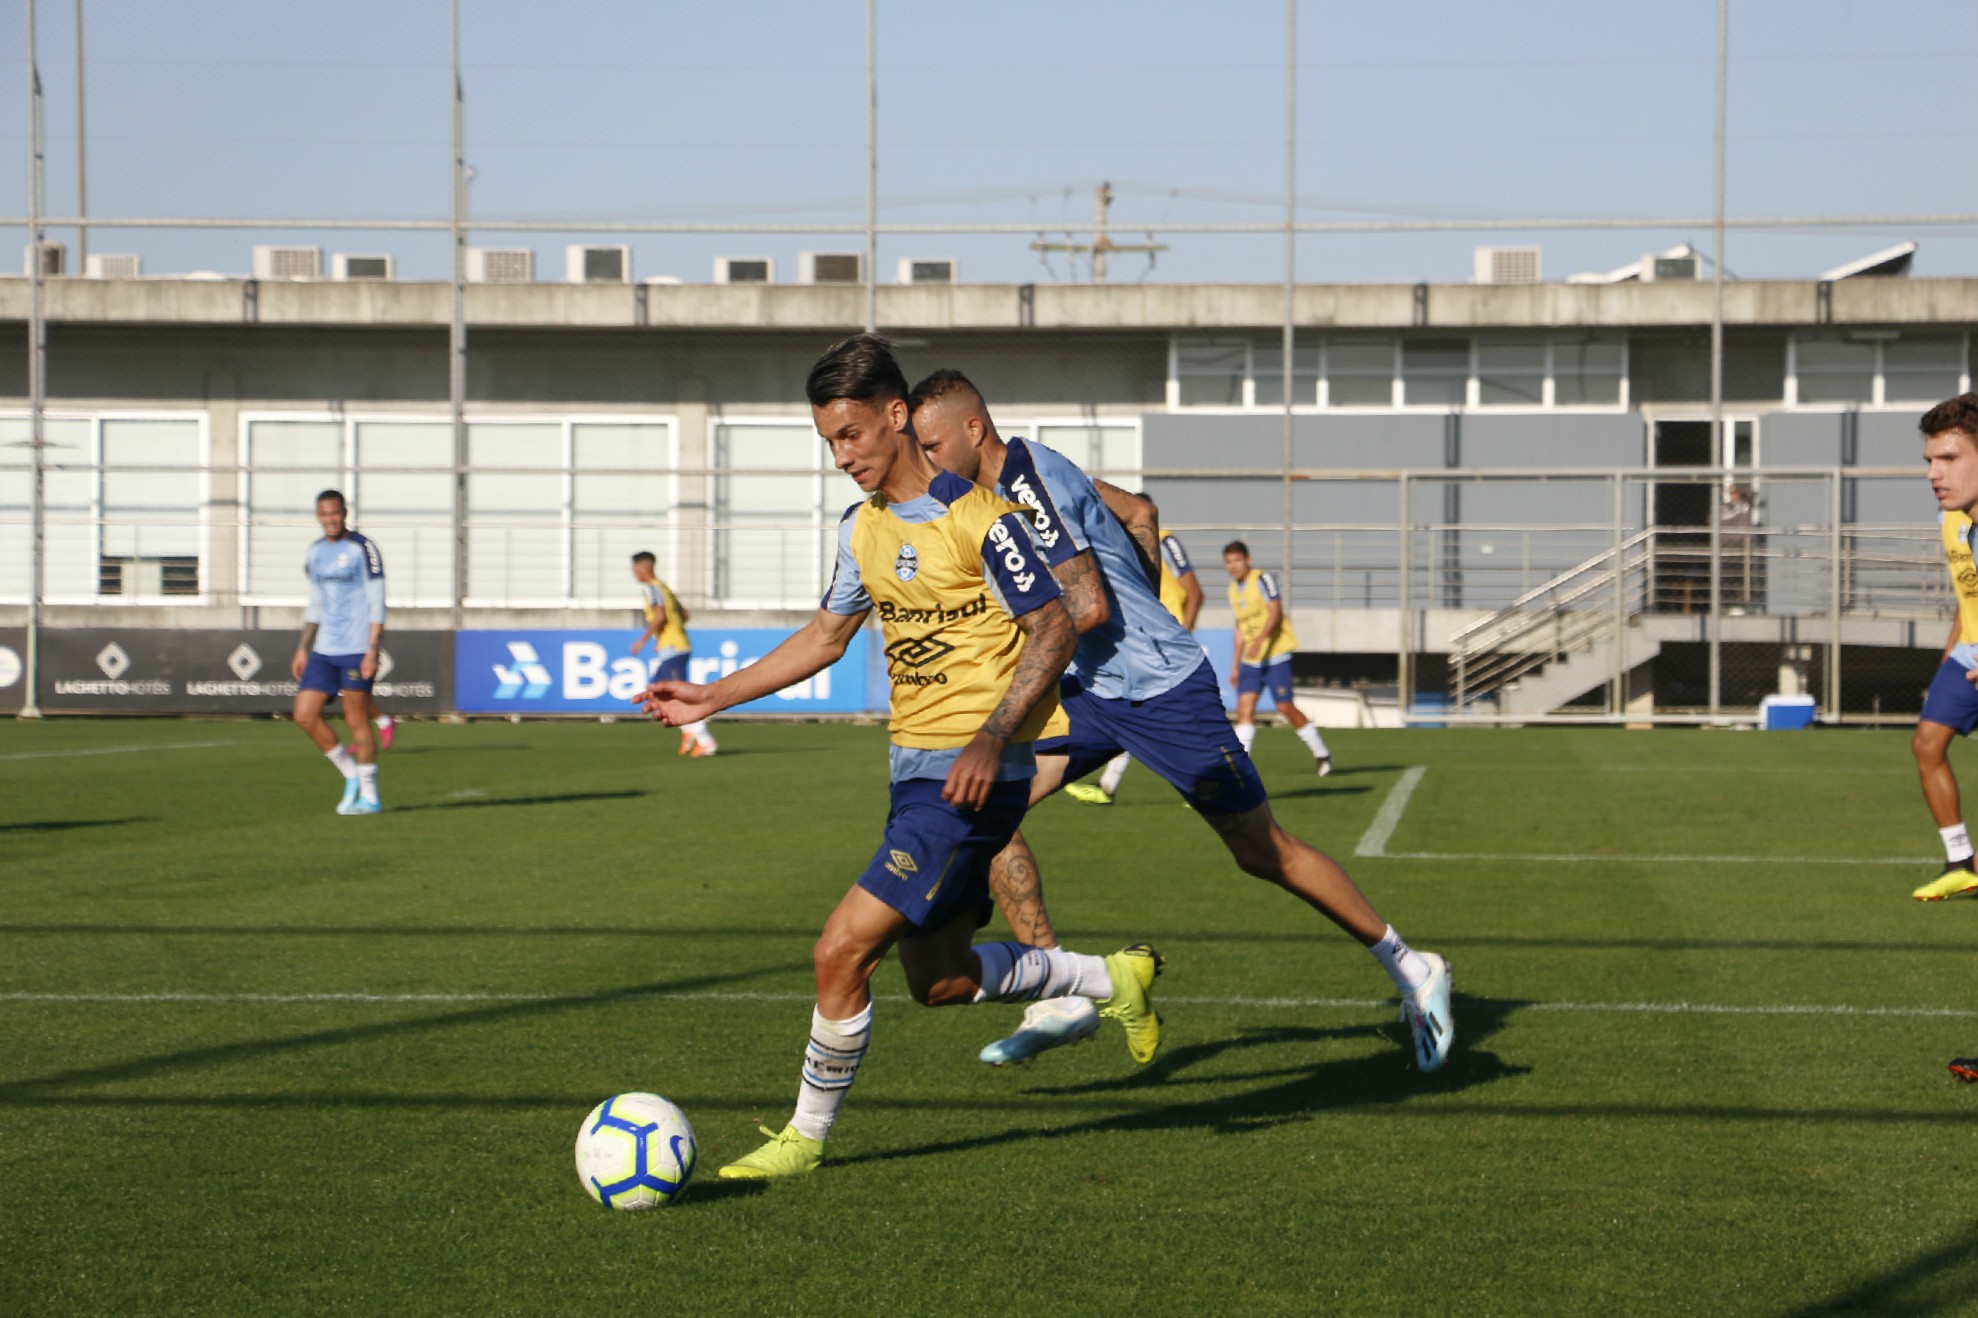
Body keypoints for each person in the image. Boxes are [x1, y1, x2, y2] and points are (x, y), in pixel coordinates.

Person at [638, 335, 1162, 1179]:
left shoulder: (982, 521)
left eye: (850, 435)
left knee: (838, 952)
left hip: (971, 778)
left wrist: (995, 733)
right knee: (941, 982)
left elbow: (1058, 624)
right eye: (828, 444)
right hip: (916, 775)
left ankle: (803, 1140)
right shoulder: (862, 531)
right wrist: (711, 696)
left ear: (895, 416)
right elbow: (824, 636)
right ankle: (1110, 978)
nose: (840, 457)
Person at [910, 369, 1452, 1072]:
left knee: (1263, 852)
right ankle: (1062, 990)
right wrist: (1139, 592)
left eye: (931, 444)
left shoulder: (1027, 486)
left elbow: (1092, 609)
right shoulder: (1030, 462)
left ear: (972, 430)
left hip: (1163, 693)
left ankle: (1414, 967)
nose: (925, 460)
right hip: (1092, 691)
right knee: (986, 806)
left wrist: (1085, 622)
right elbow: (1137, 509)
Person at [1064, 522, 1203, 806]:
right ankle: (1108, 785)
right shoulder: (1117, 542)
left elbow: (1194, 591)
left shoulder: (1165, 541)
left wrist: (1183, 632)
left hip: (1163, 641)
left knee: (1163, 716)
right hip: (1140, 640)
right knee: (1133, 711)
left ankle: (1205, 784)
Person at [1911, 394, 1978, 905]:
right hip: (1969, 654)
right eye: (1931, 460)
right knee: (1927, 744)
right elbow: (1966, 587)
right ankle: (1961, 859)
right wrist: (1951, 651)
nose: (1935, 472)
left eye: (1949, 458)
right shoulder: (1954, 519)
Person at [289, 489, 386, 815]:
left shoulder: (363, 548)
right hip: (324, 649)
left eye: (335, 513)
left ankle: (371, 797)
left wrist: (373, 649)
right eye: (323, 514)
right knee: (304, 714)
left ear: (344, 513)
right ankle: (349, 773)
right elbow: (315, 602)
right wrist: (303, 648)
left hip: (357, 649)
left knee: (356, 720)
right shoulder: (315, 552)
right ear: (318, 516)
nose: (330, 519)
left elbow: (377, 601)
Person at [1223, 540, 1334, 777]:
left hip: (1276, 655)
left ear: (1247, 560)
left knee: (1285, 707)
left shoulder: (1263, 579)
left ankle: (1322, 753)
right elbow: (1239, 628)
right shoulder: (1232, 590)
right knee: (1244, 709)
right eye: (1228, 562)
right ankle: (1241, 770)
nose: (1232, 566)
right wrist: (1234, 665)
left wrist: (1261, 641)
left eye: (1236, 561)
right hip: (1251, 661)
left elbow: (1276, 611)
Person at [629, 550, 715, 757]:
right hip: (675, 646)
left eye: (635, 569)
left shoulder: (651, 589)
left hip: (673, 648)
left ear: (644, 568)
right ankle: (689, 730)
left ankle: (704, 739)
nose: (634, 574)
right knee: (659, 691)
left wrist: (643, 640)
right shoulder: (665, 588)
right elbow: (684, 614)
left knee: (678, 695)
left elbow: (660, 616)